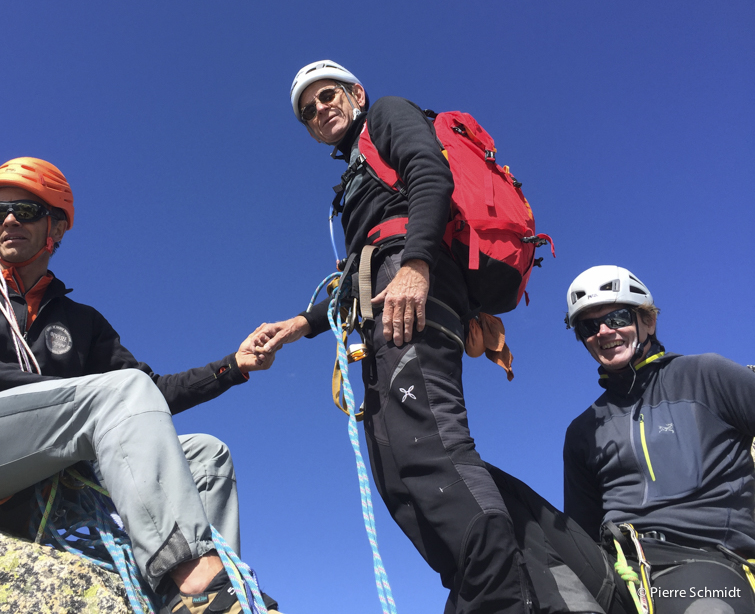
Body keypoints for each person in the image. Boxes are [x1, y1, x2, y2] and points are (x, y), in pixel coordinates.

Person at [252, 61, 609, 614]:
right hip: (383, 301)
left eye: (327, 96)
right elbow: (357, 279)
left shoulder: (388, 114)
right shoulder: (354, 176)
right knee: (400, 478)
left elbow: (430, 173)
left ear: (355, 94)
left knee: (430, 454)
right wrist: (301, 324)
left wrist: (416, 264)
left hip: (413, 286)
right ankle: (527, 585)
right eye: (308, 111)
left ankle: (499, 599)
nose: (319, 110)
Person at [0, 157, 282, 614]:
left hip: (47, 474)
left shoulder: (83, 322)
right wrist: (67, 397)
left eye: (23, 211)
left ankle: (193, 599)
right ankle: (194, 584)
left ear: (55, 229)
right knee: (115, 392)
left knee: (207, 455)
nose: (7, 220)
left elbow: (148, 395)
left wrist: (232, 367)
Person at [564, 265, 755, 613]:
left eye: (617, 317)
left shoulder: (706, 375)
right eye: (589, 326)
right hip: (617, 570)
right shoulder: (582, 430)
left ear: (647, 321)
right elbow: (581, 530)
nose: (604, 331)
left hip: (705, 560)